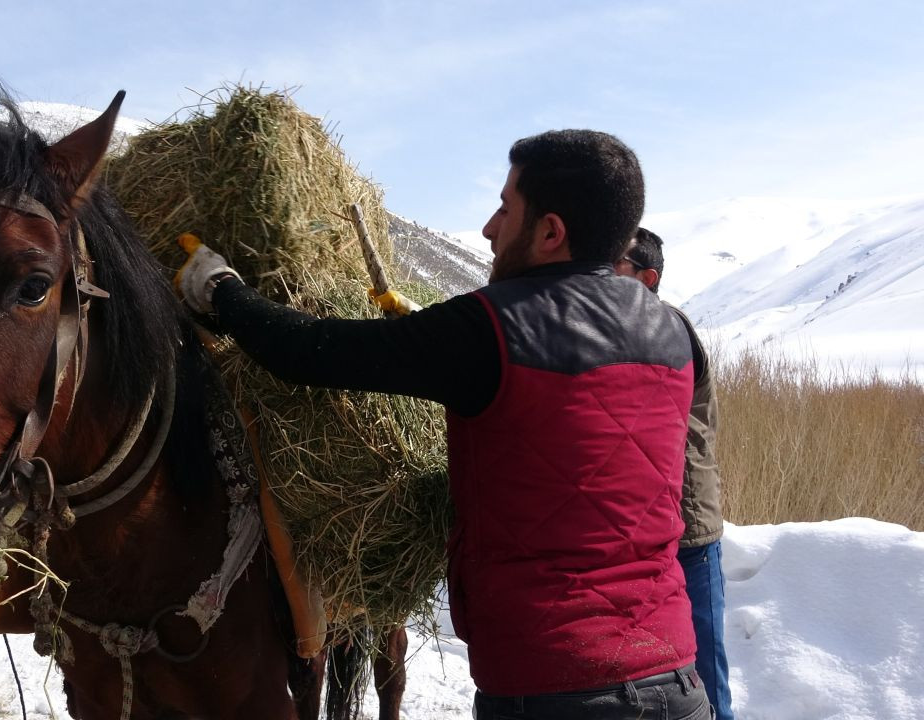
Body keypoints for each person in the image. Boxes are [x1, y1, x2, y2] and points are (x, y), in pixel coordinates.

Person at [175, 129, 712, 719]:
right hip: (676, 682)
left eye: (506, 209)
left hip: (553, 688)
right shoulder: (675, 335)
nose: (488, 228)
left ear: (551, 232)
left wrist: (223, 292)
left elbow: (312, 351)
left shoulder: (494, 328)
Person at [617, 227, 734, 720]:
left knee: (703, 669)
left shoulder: (667, 329)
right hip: (651, 528)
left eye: (615, 267)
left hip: (689, 529)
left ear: (648, 278)